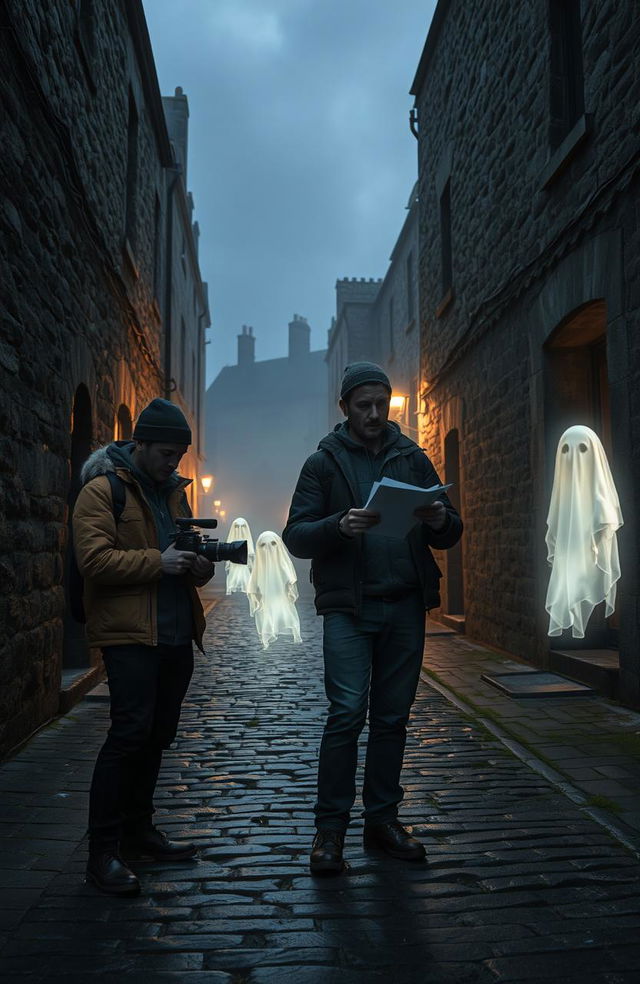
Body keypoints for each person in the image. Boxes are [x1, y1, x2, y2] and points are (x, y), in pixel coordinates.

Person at [282, 363, 463, 873]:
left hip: (405, 603)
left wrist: (440, 518)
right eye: (364, 405)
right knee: (345, 715)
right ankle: (330, 831)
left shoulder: (411, 457)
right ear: (345, 407)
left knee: (392, 718)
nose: (375, 414)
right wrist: (339, 525)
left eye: (382, 404)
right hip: (349, 607)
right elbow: (296, 534)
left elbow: (450, 531)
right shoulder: (322, 464)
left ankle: (383, 820)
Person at [73, 398, 214, 896]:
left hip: (176, 633)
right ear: (141, 444)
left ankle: (139, 830)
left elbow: (188, 552)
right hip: (130, 635)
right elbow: (95, 560)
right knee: (129, 733)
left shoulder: (174, 495)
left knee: (158, 734)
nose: (173, 463)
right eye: (166, 454)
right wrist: (162, 562)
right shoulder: (102, 490)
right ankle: (102, 851)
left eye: (179, 455)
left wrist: (199, 566)